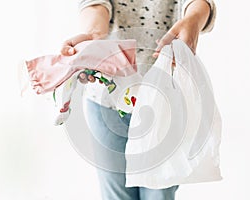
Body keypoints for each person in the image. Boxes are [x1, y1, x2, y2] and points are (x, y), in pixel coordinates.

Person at [61, 0, 216, 199]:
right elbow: (95, 3)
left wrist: (193, 20)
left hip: (165, 101)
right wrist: (93, 35)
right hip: (106, 99)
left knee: (159, 194)